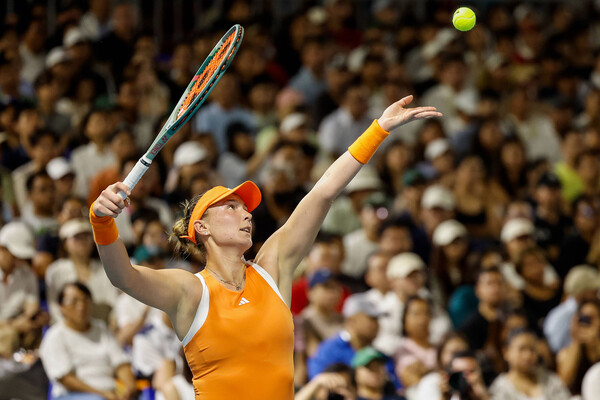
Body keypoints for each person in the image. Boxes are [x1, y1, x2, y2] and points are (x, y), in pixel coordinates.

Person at [90, 95, 441, 399]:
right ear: (202, 227)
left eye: (246, 208)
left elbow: (323, 192)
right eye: (231, 207)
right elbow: (123, 276)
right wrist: (102, 222)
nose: (246, 214)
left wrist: (378, 129)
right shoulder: (190, 290)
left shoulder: (273, 268)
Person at [40, 282, 136, 400]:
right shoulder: (54, 336)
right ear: (61, 307)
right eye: (74, 302)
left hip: (110, 392)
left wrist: (130, 388)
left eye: (85, 300)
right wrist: (103, 394)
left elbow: (120, 363)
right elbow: (66, 379)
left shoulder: (101, 329)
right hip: (72, 395)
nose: (81, 307)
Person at [490, 328, 570, 400]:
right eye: (522, 349)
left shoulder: (549, 380)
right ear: (506, 352)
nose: (528, 355)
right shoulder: (499, 388)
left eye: (532, 349)